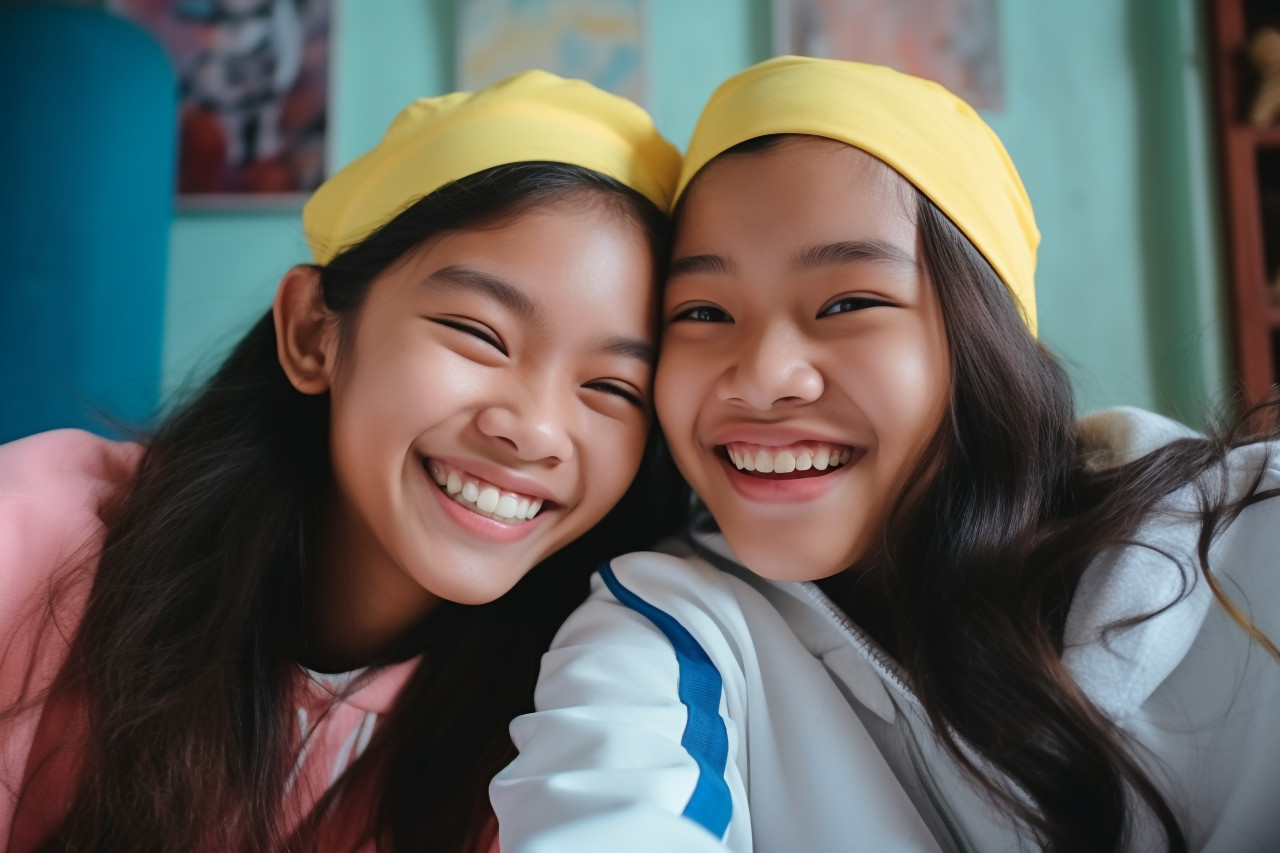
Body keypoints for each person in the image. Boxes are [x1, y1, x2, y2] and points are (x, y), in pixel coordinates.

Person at [491, 56, 1280, 853]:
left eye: (849, 302)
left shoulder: (1253, 544)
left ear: (985, 339)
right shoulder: (663, 623)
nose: (763, 376)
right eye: (702, 310)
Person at [0, 69, 682, 853]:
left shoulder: (579, 709)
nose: (535, 430)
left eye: (612, 386)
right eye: (479, 333)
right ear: (313, 332)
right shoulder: (35, 533)